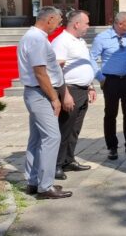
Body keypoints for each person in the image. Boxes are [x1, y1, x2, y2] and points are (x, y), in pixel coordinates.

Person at [18, 6, 72, 199]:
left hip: (36, 93)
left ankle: (33, 181)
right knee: (52, 137)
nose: (59, 25)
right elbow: (40, 73)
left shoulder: (33, 37)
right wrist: (54, 98)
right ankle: (45, 185)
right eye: (58, 21)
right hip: (40, 94)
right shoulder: (36, 39)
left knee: (37, 138)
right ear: (49, 19)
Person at [90, 11, 126, 161]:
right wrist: (100, 78)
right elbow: (91, 59)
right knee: (111, 114)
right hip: (111, 81)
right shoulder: (102, 38)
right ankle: (112, 147)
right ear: (119, 24)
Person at [51, 10, 96, 180]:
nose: (88, 26)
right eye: (86, 23)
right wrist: (65, 94)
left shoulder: (80, 41)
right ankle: (56, 164)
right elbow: (56, 70)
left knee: (75, 129)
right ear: (76, 24)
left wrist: (90, 86)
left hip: (83, 90)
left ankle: (68, 160)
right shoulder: (62, 41)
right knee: (65, 128)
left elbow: (85, 65)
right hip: (70, 90)